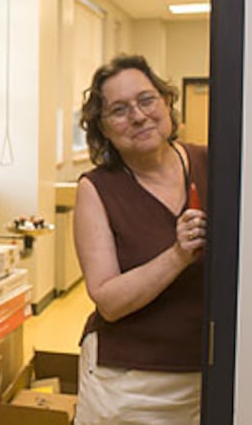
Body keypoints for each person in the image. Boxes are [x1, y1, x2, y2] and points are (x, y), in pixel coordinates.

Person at [73, 54, 207, 424]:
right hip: (129, 384)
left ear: (166, 101)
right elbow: (109, 301)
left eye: (146, 100)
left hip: (209, 371)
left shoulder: (213, 163)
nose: (137, 115)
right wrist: (177, 255)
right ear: (103, 129)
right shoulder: (97, 189)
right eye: (118, 110)